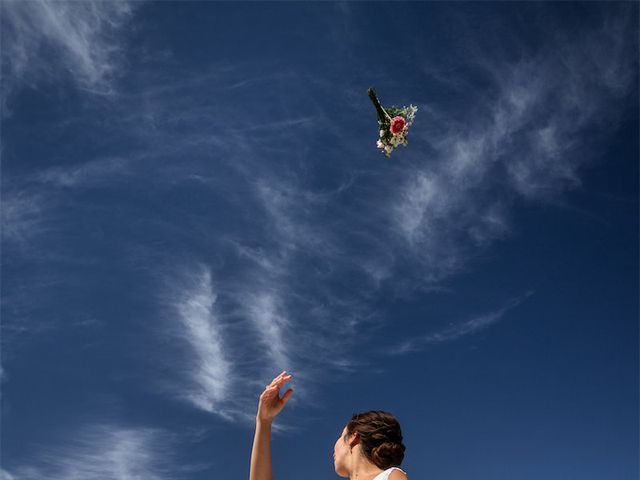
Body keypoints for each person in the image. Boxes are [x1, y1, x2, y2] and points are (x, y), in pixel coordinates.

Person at [250, 371, 409, 480]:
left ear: (354, 437)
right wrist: (264, 421)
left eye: (340, 436)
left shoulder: (391, 476)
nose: (334, 446)